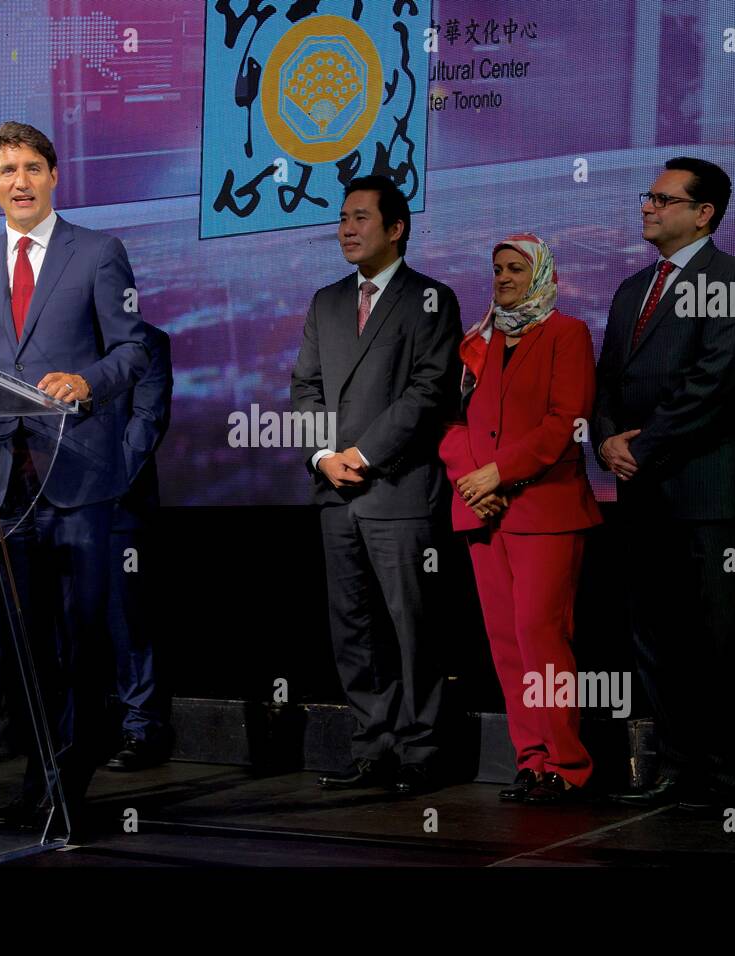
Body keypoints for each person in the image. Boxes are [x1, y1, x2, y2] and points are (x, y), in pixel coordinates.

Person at [0, 121, 151, 823]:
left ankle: (71, 786)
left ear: (54, 176)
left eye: (32, 167)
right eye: (6, 170)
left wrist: (83, 383)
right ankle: (37, 783)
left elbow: (132, 353)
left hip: (78, 475)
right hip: (6, 482)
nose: (20, 181)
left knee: (82, 640)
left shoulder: (98, 252)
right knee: (25, 651)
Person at [590, 157, 735, 809]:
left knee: (724, 639)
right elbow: (606, 380)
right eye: (649, 196)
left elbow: (713, 386)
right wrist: (606, 435)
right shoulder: (629, 289)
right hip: (642, 496)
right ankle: (679, 767)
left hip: (712, 494)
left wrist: (643, 448)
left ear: (704, 213)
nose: (648, 206)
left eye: (663, 199)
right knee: (656, 636)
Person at [290, 174, 462, 796]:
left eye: (361, 218)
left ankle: (422, 749)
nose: (346, 228)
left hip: (399, 490)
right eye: (342, 218)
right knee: (353, 626)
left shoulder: (431, 300)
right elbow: (304, 386)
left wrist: (360, 453)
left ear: (396, 229)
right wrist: (320, 456)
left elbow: (427, 392)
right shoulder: (325, 301)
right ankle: (373, 745)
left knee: (413, 627)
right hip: (335, 493)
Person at [439, 234, 602, 804]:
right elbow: (453, 424)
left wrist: (497, 475)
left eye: (515, 268)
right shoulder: (477, 342)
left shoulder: (567, 333)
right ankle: (531, 761)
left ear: (539, 274)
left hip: (544, 510)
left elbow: (565, 423)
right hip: (483, 515)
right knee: (506, 643)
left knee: (541, 636)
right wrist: (472, 481)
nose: (503, 277)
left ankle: (568, 765)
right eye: (497, 269)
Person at [105, 324, 173, 771]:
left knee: (127, 623)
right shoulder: (58, 335)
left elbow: (145, 424)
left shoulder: (148, 341)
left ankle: (141, 727)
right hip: (50, 502)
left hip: (116, 504)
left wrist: (100, 486)